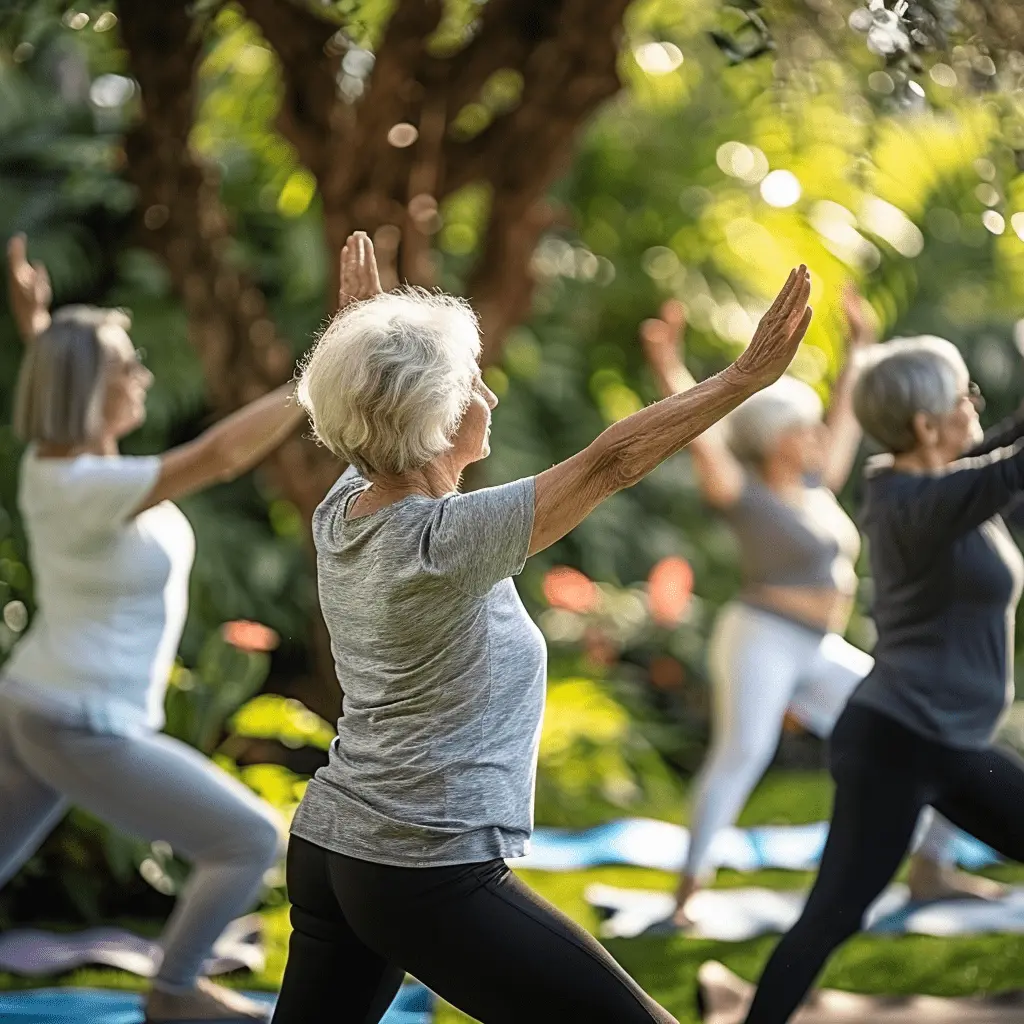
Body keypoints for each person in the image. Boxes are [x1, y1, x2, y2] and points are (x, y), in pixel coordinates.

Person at [269, 234, 812, 1024]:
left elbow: (369, 407)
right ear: (435, 418)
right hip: (425, 865)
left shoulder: (344, 510)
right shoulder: (444, 542)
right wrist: (741, 380)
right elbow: (608, 464)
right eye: (471, 386)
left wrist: (369, 322)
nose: (488, 397)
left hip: (335, 843)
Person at [0, 235, 310, 1023]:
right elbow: (217, 454)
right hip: (79, 720)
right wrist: (322, 378)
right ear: (88, 392)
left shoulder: (57, 461)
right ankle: (172, 994)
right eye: (123, 367)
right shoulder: (87, 485)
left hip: (39, 700)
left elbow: (61, 381)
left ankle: (173, 990)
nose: (141, 373)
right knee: (247, 839)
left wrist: (37, 324)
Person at [639, 294, 993, 928]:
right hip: (761, 639)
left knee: (916, 727)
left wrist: (859, 348)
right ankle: (687, 896)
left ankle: (932, 871)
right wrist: (668, 363)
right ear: (775, 441)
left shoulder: (814, 483)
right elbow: (702, 436)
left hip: (816, 647)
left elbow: (845, 418)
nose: (816, 435)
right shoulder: (741, 493)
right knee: (743, 752)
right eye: (801, 429)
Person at [742, 334, 1024, 1023]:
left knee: (832, 914)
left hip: (941, 740)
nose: (977, 406)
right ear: (928, 425)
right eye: (966, 396)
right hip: (899, 746)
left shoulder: (937, 486)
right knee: (834, 915)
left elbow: (1001, 454)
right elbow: (1006, 469)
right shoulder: (915, 505)